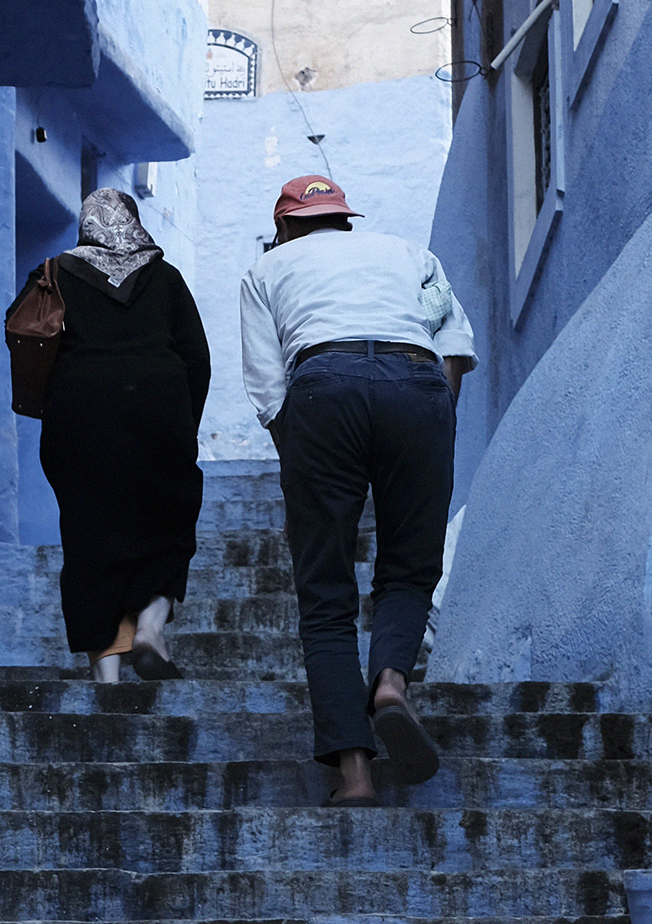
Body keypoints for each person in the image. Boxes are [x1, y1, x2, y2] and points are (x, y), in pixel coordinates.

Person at [239, 175, 475, 806]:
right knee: (409, 566)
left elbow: (268, 390)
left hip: (324, 388)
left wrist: (302, 488)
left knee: (325, 593)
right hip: (418, 384)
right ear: (344, 219)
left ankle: (355, 775)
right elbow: (453, 347)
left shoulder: (268, 269)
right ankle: (392, 681)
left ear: (285, 226)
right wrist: (432, 434)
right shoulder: (406, 254)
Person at [24, 188, 211, 683]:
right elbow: (198, 358)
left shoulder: (55, 274)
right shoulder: (166, 278)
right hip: (158, 409)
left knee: (90, 538)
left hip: (80, 418)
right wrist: (178, 428)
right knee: (167, 524)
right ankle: (151, 626)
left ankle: (107, 678)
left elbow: (30, 343)